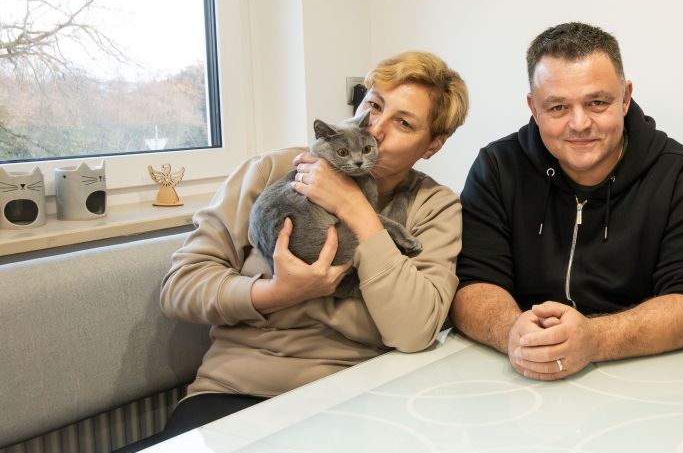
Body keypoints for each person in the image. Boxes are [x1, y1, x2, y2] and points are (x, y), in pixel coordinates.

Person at [158, 50, 468, 430]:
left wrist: (354, 207)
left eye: (403, 122)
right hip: (239, 389)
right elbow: (180, 287)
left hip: (361, 396)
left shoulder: (434, 206)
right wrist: (276, 293)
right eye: (374, 105)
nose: (375, 129)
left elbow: (415, 330)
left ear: (433, 145)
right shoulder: (270, 171)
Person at [451, 21, 683, 379]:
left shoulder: (682, 175)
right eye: (557, 107)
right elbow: (472, 283)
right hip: (522, 372)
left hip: (645, 374)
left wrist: (595, 339)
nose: (579, 123)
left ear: (625, 98)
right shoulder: (498, 167)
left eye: (597, 102)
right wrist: (513, 333)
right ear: (533, 108)